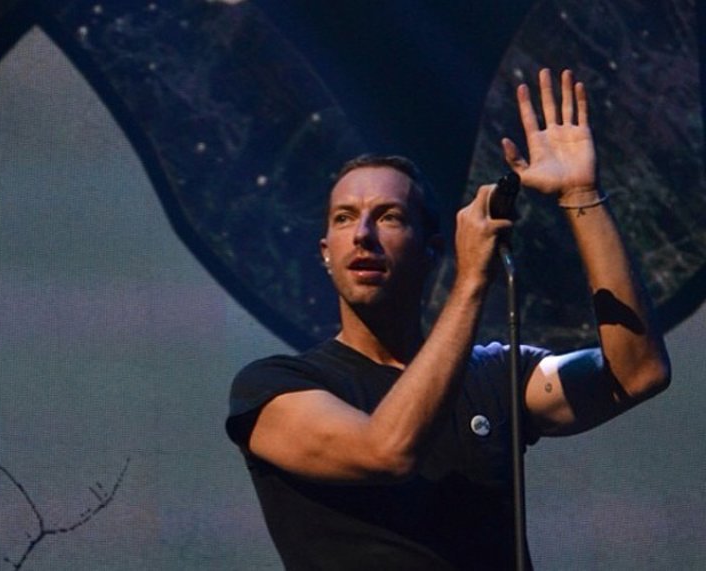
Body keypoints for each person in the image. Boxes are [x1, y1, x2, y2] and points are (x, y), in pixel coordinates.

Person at [225, 69, 670, 570]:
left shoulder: (495, 375)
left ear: (433, 249)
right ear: (326, 251)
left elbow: (637, 372)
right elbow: (386, 451)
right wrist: (471, 280)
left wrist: (581, 195)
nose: (363, 234)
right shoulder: (275, 387)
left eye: (389, 217)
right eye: (345, 218)